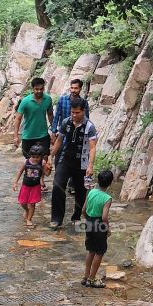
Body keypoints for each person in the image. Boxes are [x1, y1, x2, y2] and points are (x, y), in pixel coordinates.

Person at [48, 96, 99, 230]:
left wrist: (90, 165)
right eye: (72, 112)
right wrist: (51, 156)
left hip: (81, 163)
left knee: (81, 192)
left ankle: (76, 216)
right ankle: (56, 219)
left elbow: (93, 147)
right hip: (65, 160)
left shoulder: (89, 127)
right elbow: (59, 140)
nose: (74, 115)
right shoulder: (66, 122)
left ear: (83, 111)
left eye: (77, 112)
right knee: (58, 186)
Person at [81, 168, 113, 287]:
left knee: (91, 251)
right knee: (99, 252)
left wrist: (88, 219)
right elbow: (104, 217)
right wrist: (108, 228)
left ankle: (85, 277)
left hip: (89, 223)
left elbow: (83, 210)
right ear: (110, 183)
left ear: (98, 181)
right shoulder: (107, 198)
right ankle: (92, 279)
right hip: (99, 225)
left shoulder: (91, 192)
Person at [13, 77, 53, 159]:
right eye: (36, 89)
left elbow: (50, 115)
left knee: (44, 160)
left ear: (44, 88)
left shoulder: (48, 99)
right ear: (33, 88)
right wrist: (16, 136)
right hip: (28, 137)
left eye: (41, 89)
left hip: (43, 136)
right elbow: (18, 119)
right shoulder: (26, 101)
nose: (39, 91)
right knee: (30, 163)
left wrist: (54, 131)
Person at [13, 143, 46, 227]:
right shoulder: (26, 162)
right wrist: (15, 182)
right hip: (26, 185)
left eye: (37, 157)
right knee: (22, 202)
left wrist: (48, 168)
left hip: (35, 186)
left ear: (41, 156)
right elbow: (20, 171)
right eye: (33, 157)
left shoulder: (42, 163)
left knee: (32, 203)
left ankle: (29, 219)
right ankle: (27, 210)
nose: (35, 159)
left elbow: (46, 173)